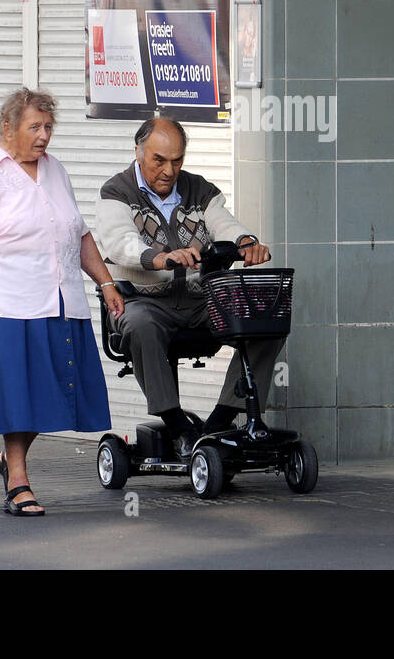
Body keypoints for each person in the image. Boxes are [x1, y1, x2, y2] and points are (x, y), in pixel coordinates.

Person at [0, 87, 122, 516]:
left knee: (59, 394)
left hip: (63, 302)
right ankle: (19, 481)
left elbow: (78, 233)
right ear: (7, 128)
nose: (44, 135)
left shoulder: (54, 170)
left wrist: (105, 282)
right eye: (35, 127)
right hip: (10, 306)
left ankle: (11, 459)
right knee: (18, 397)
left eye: (48, 127)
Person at [95, 116, 282, 459]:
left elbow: (225, 224)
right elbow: (120, 243)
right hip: (143, 301)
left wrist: (246, 242)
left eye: (177, 160)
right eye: (159, 160)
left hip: (200, 302)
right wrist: (163, 258)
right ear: (138, 152)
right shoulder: (116, 192)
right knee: (139, 324)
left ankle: (220, 419)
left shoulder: (199, 189)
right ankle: (177, 424)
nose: (169, 170)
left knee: (266, 322)